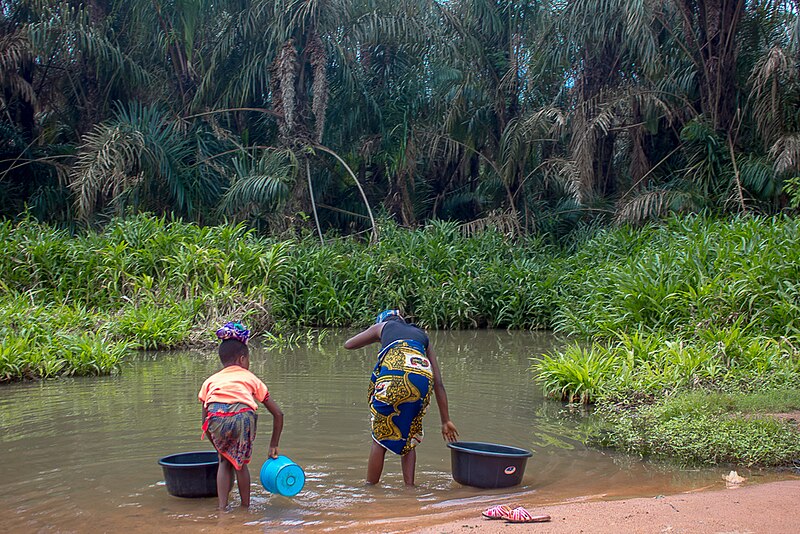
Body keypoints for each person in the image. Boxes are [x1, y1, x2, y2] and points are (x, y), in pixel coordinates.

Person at [344, 309, 459, 486]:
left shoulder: (382, 327)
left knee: (379, 439)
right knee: (409, 436)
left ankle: (370, 489)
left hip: (394, 377)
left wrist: (376, 335)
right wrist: (446, 420)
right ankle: (410, 489)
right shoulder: (422, 336)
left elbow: (349, 344)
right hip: (421, 379)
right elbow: (439, 383)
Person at [198, 321, 284, 510]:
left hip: (216, 417)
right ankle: (245, 508)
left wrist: (218, 447)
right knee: (240, 465)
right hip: (243, 416)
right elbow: (278, 414)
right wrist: (273, 445)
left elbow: (205, 418)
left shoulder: (210, 381)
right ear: (242, 359)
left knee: (223, 461)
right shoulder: (250, 378)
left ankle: (222, 509)